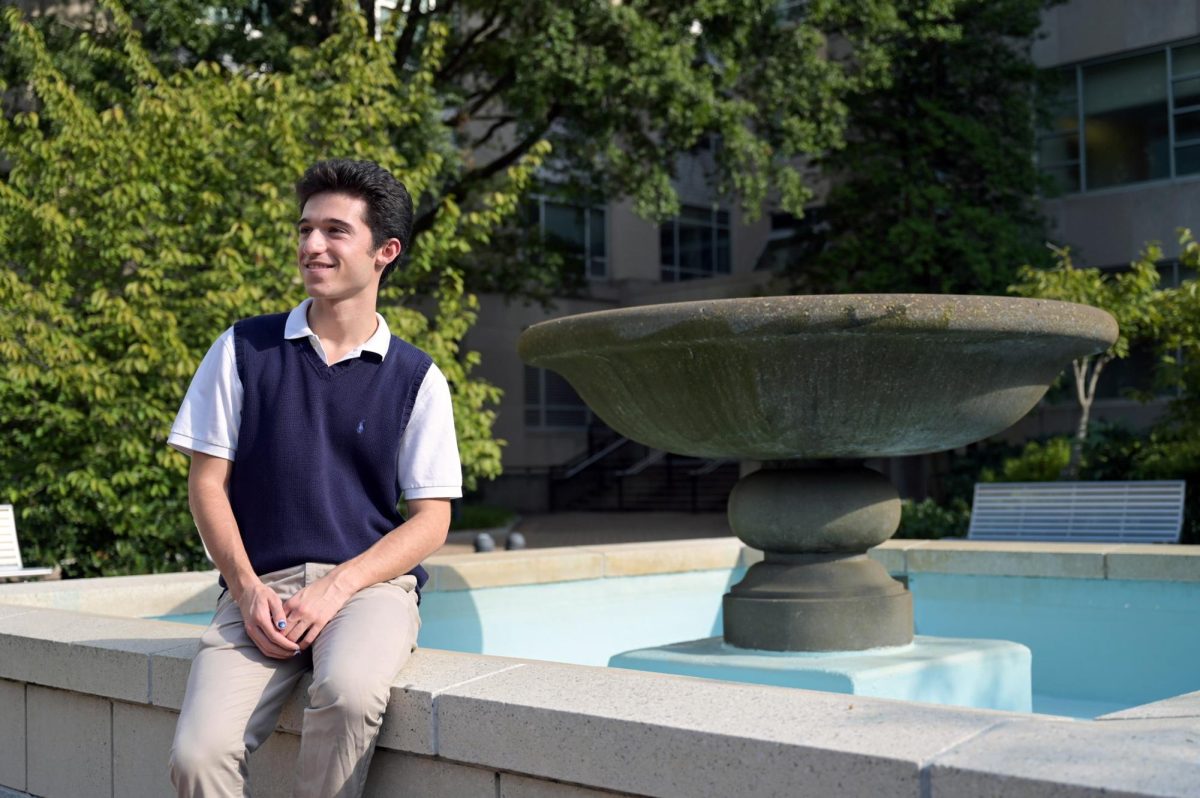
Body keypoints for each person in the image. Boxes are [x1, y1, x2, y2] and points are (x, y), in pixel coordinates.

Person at [165, 159, 461, 797]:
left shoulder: (417, 377)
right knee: (198, 753)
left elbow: (433, 519)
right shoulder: (243, 349)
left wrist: (339, 587)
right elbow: (207, 485)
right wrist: (244, 590)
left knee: (349, 693)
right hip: (259, 586)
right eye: (304, 229)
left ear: (385, 252)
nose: (311, 246)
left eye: (333, 231)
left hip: (368, 591)